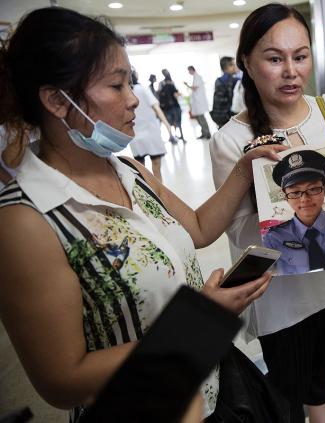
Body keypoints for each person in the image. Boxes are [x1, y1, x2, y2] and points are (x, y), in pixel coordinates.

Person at [0, 7, 284, 421]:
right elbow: (61, 379)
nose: (133, 98)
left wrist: (244, 168)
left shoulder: (127, 168)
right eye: (116, 85)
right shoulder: (25, 220)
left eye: (130, 82)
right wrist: (203, 320)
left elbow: (200, 228)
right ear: (55, 101)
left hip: (211, 388)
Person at [210, 4, 325, 422]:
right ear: (248, 64)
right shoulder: (233, 139)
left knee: (323, 372)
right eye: (275, 58)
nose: (291, 70)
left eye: (300, 56)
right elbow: (235, 231)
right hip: (283, 300)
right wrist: (278, 205)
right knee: (287, 391)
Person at [262, 150, 325, 275]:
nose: (305, 199)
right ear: (286, 198)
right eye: (295, 192)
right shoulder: (273, 238)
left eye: (313, 189)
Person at [129, 70, 175, 182]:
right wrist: (167, 125)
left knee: (141, 171)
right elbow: (156, 108)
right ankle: (159, 195)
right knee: (156, 168)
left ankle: (151, 195)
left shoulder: (127, 93)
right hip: (150, 133)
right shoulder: (143, 89)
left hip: (136, 135)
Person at [210, 56, 239, 128]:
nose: (236, 67)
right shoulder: (234, 81)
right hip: (229, 118)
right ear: (228, 67)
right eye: (234, 64)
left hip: (218, 116)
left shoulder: (218, 80)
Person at [184, 65, 211, 139]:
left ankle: (207, 133)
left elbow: (195, 88)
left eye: (189, 71)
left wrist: (187, 85)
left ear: (192, 70)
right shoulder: (195, 77)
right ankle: (204, 133)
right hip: (197, 103)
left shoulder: (198, 77)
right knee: (199, 118)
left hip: (200, 103)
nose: (189, 72)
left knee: (202, 118)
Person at [158, 68, 185, 141]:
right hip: (169, 107)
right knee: (172, 122)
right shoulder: (162, 83)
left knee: (176, 122)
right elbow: (161, 95)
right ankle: (173, 137)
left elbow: (175, 93)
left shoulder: (169, 82)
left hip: (173, 106)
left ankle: (178, 136)